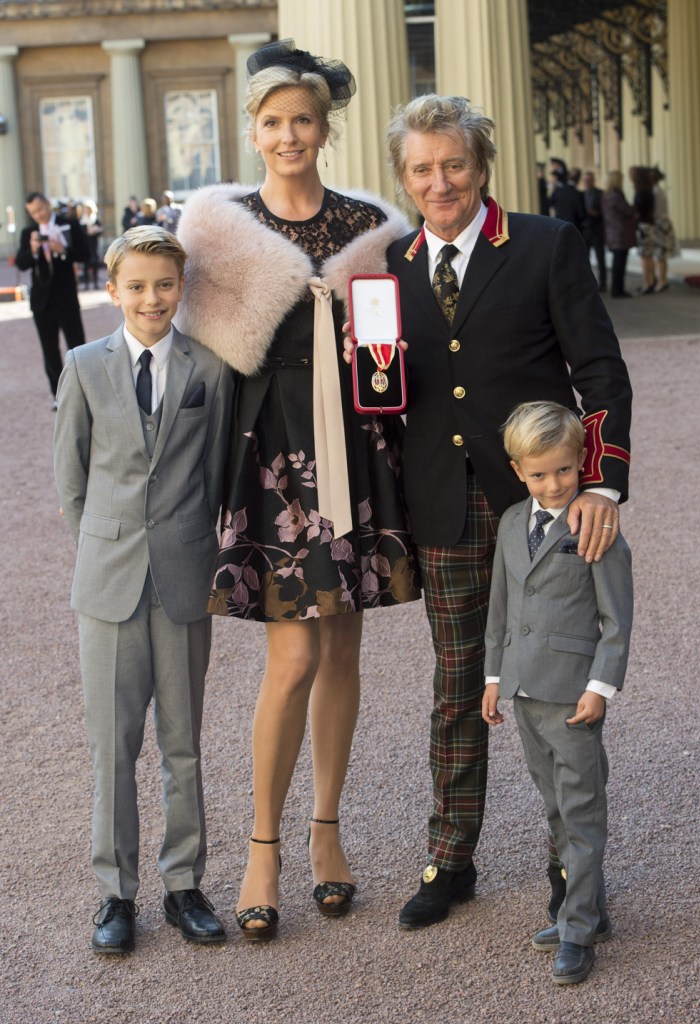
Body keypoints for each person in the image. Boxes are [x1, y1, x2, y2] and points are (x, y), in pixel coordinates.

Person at [345, 94, 631, 930]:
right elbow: (385, 398)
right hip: (446, 510)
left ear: (482, 167)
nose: (441, 182)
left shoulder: (546, 244)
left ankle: (569, 871)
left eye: (455, 165)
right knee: (458, 686)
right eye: (423, 169)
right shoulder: (387, 271)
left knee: (557, 693)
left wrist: (602, 486)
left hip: (545, 512)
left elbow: (601, 372)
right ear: (405, 177)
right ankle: (452, 858)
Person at [176, 39, 421, 941]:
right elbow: (192, 358)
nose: (289, 135)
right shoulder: (218, 227)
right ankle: (262, 847)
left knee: (346, 653)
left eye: (303, 121)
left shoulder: (371, 227)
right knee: (292, 659)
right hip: (273, 456)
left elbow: (403, 350)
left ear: (326, 128)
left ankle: (327, 835)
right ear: (254, 129)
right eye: (273, 122)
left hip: (355, 451)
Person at [53, 226, 234, 954]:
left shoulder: (208, 369)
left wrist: (189, 547)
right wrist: (103, 554)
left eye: (164, 284)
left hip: (184, 577)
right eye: (137, 286)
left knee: (182, 743)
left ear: (180, 287)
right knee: (111, 746)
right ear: (112, 288)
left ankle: (184, 885)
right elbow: (71, 482)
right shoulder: (84, 365)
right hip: (109, 582)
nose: (151, 298)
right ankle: (115, 895)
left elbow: (217, 473)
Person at [483, 400, 633, 985]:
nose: (554, 484)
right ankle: (584, 911)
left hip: (573, 696)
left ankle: (578, 929)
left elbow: (616, 618)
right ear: (518, 470)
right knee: (554, 809)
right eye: (540, 473)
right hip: (523, 691)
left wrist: (601, 687)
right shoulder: (511, 521)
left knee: (581, 812)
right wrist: (495, 677)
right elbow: (501, 607)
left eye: (565, 471)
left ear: (581, 464)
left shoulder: (595, 525)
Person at [15, 191, 89, 408]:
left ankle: (84, 392)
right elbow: (22, 263)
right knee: (49, 350)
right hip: (41, 302)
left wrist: (63, 249)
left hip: (66, 298)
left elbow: (85, 253)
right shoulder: (28, 232)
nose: (38, 215)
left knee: (77, 348)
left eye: (40, 209)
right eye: (33, 213)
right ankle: (59, 396)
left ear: (48, 205)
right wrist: (33, 249)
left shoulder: (70, 224)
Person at [601, 170, 638, 299]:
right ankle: (618, 290)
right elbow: (627, 210)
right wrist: (635, 208)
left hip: (613, 232)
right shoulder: (616, 196)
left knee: (618, 262)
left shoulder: (606, 195)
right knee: (619, 263)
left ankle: (618, 289)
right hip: (620, 233)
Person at [650, 167, 678, 292]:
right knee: (661, 254)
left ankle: (662, 280)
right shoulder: (658, 190)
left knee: (660, 254)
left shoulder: (655, 192)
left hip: (660, 224)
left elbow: (655, 211)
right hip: (663, 223)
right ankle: (662, 279)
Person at [630, 165, 656, 293]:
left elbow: (637, 211)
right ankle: (649, 281)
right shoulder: (649, 191)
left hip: (643, 226)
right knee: (648, 255)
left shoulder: (640, 192)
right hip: (649, 224)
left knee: (645, 256)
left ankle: (648, 283)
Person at [581, 170, 607, 291]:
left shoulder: (600, 194)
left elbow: (605, 212)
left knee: (600, 257)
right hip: (585, 230)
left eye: (589, 180)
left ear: (593, 181)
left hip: (597, 230)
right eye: (585, 180)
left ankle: (603, 282)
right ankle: (588, 283)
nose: (587, 182)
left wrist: (595, 213)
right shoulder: (581, 194)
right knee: (585, 258)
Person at [78, 199, 104, 290]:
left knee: (95, 263)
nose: (86, 211)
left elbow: (100, 231)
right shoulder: (82, 221)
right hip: (85, 245)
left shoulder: (95, 219)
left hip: (94, 244)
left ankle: (96, 282)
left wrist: (95, 231)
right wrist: (87, 233)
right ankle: (86, 283)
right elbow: (79, 234)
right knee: (86, 264)